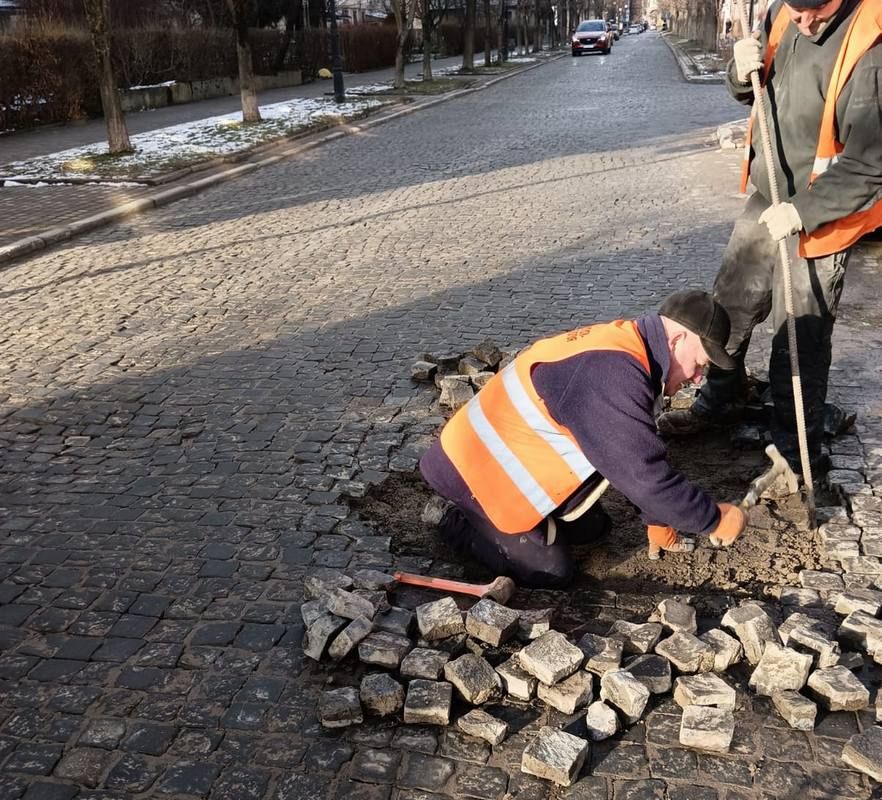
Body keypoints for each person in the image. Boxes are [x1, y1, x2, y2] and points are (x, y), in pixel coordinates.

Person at [658, 0, 882, 482]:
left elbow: (870, 164)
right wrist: (740, 73)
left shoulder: (872, 43)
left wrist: (803, 211)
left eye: (816, 13)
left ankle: (793, 450)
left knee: (799, 331)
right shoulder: (781, 11)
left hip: (823, 212)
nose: (804, 23)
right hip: (770, 193)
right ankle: (721, 395)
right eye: (797, 11)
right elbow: (756, 94)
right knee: (732, 302)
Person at [419, 290, 748, 588]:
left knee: (594, 529)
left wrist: (658, 519)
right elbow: (642, 476)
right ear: (676, 340)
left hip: (505, 454)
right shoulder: (612, 375)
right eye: (699, 364)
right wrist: (713, 519)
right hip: (468, 469)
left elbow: (634, 450)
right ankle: (453, 520)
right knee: (552, 571)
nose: (697, 377)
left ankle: (528, 526)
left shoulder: (631, 350)